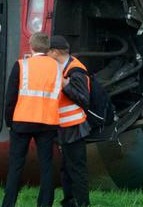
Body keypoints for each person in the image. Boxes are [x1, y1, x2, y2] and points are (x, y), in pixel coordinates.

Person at [2, 32, 62, 207]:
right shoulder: (58, 68)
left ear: (31, 46)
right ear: (48, 48)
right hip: (48, 122)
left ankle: (8, 204)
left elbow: (10, 97)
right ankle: (45, 204)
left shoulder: (21, 66)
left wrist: (9, 122)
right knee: (47, 166)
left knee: (15, 166)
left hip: (22, 121)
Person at [48, 36, 91, 207]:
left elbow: (84, 99)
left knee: (77, 170)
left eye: (48, 51)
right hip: (65, 127)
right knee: (66, 169)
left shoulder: (76, 71)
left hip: (74, 128)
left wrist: (66, 86)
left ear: (55, 52)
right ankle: (69, 201)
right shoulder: (63, 67)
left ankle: (82, 203)